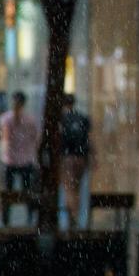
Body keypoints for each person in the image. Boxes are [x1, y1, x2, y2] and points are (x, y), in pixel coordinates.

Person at [60, 93, 91, 229]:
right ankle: (76, 216)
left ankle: (72, 217)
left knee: (69, 189)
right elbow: (89, 139)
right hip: (81, 158)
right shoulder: (83, 118)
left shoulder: (61, 119)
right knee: (77, 188)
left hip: (67, 157)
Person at [0, 91, 39, 193]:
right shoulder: (30, 120)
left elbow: (5, 138)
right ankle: (29, 208)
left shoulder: (6, 118)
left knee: (8, 191)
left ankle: (7, 208)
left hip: (10, 159)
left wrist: (4, 152)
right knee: (27, 191)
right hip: (27, 159)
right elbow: (35, 138)